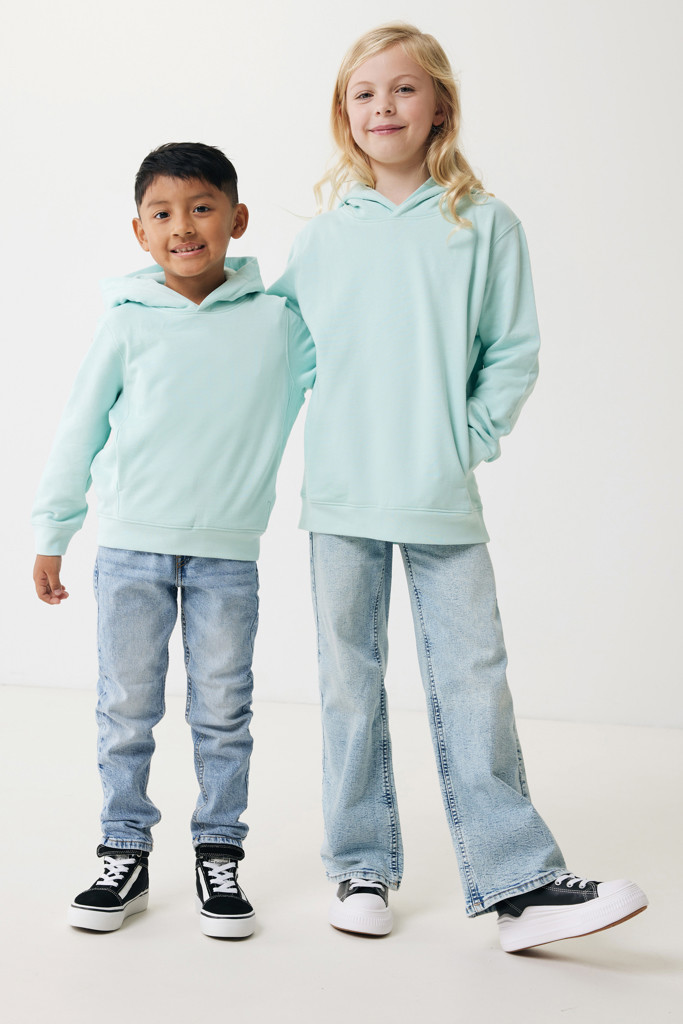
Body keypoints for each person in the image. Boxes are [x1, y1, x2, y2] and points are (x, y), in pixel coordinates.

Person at [270, 23, 647, 951]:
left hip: (438, 491)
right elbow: (279, 354)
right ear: (343, 114)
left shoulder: (484, 224)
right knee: (349, 685)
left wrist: (460, 441)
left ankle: (518, 884)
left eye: (403, 89)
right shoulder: (323, 238)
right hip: (341, 497)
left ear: (439, 105)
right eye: (363, 93)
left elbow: (511, 353)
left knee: (474, 680)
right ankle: (360, 866)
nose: (382, 107)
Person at [32, 142, 314, 938]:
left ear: (237, 219)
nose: (182, 227)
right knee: (127, 707)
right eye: (162, 213)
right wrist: (54, 531)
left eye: (201, 208)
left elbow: (347, 376)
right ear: (140, 231)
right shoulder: (124, 323)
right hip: (130, 549)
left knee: (223, 710)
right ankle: (123, 850)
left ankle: (219, 851)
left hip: (228, 554)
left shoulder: (278, 323)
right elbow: (79, 430)